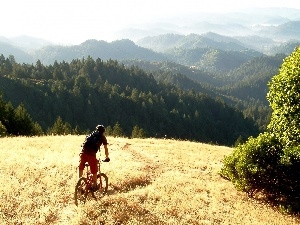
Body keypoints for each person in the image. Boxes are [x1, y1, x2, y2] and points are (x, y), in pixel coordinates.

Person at [78, 124, 110, 191]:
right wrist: (107, 157)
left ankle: (79, 183)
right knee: (94, 170)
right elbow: (106, 148)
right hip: (91, 155)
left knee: (81, 167)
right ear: (103, 131)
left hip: (83, 153)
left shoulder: (91, 135)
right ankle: (94, 185)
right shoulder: (102, 137)